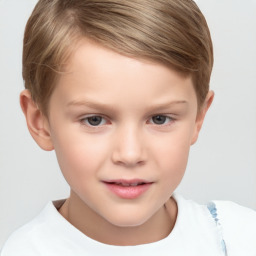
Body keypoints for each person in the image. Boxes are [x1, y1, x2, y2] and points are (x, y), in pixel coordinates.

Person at [1, 0, 256, 255]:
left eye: (159, 119)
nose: (130, 154)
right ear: (39, 121)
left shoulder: (240, 238)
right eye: (95, 120)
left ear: (198, 118)